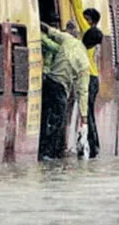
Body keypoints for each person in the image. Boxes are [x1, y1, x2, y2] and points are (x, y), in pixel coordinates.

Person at [39, 22, 91, 160]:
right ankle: (49, 154)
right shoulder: (85, 63)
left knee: (43, 116)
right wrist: (84, 117)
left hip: (48, 82)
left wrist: (37, 22)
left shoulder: (68, 39)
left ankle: (40, 149)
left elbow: (50, 30)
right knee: (58, 121)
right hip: (61, 88)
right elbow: (83, 92)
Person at [81, 8, 107, 159]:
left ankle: (93, 146)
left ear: (90, 20)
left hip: (89, 78)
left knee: (88, 114)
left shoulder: (88, 33)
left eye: (85, 18)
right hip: (94, 78)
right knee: (89, 114)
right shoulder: (94, 35)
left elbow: (78, 10)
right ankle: (94, 146)